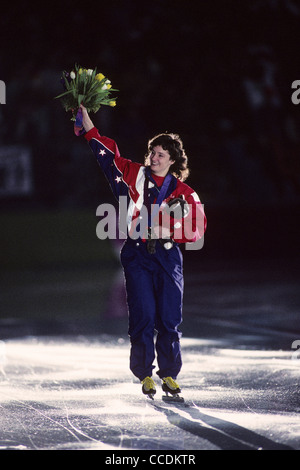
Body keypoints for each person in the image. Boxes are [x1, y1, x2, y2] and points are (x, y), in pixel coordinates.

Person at [79, 105, 206, 398]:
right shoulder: (134, 174)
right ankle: (145, 374)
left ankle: (170, 375)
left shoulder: (184, 193)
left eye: (160, 154)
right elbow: (108, 156)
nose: (153, 157)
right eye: (151, 152)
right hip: (137, 254)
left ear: (172, 160)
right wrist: (88, 125)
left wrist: (170, 232)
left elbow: (198, 226)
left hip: (168, 257)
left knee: (169, 318)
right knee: (144, 315)